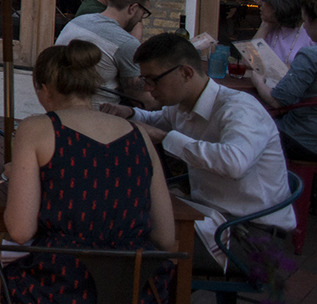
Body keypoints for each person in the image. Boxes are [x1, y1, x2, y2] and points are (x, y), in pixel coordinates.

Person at [2, 40, 176, 304]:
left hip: (58, 295)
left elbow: (19, 230)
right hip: (135, 302)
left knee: (2, 260)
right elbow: (166, 236)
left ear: (44, 88)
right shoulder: (139, 136)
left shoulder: (37, 128)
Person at [103, 33, 298, 273]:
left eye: (153, 80)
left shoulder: (239, 109)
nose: (147, 88)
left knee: (136, 246)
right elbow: (159, 120)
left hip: (251, 238)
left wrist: (163, 138)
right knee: (128, 220)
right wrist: (130, 114)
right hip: (214, 218)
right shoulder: (183, 104)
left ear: (185, 73)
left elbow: (235, 163)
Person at [240, 0, 317, 161]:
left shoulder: (309, 44)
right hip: (297, 116)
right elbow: (248, 61)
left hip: (301, 131)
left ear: (277, 5)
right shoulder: (272, 30)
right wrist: (265, 25)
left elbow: (278, 100)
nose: (259, 3)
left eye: (264, 0)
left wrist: (256, 78)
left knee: (243, 129)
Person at [54, 0, 155, 106]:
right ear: (133, 8)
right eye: (143, 12)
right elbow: (144, 101)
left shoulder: (77, 21)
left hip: (60, 106)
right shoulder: (124, 42)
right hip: (100, 117)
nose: (141, 19)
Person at [253, 0, 314, 66]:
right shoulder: (271, 28)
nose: (258, 3)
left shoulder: (310, 34)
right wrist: (264, 26)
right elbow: (248, 61)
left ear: (278, 4)